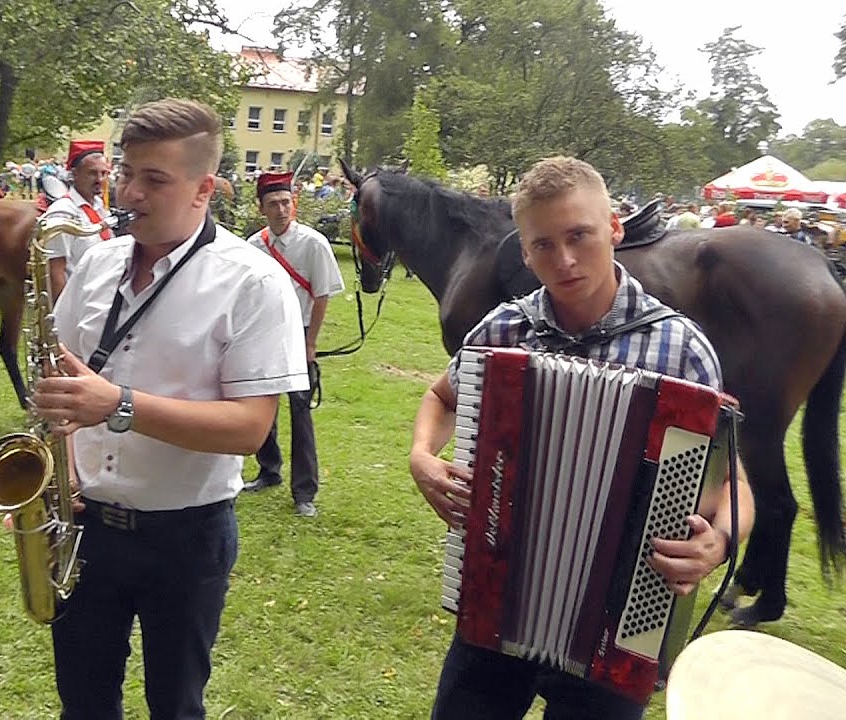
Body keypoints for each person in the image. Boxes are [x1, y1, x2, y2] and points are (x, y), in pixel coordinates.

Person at [409, 156, 754, 719]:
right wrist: (423, 457)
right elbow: (443, 396)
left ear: (614, 228)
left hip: (621, 618)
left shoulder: (683, 350)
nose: (564, 259)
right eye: (543, 245)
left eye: (579, 235)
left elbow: (733, 480)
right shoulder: (503, 331)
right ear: (523, 252)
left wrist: (718, 541)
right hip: (500, 597)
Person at [30, 98, 307, 720]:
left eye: (154, 180)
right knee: (83, 703)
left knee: (175, 707)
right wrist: (59, 466)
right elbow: (62, 388)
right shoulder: (97, 263)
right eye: (125, 172)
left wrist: (119, 405)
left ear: (204, 188)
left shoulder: (253, 282)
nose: (129, 192)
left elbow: (250, 428)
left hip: (186, 537)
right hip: (84, 527)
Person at [241, 171, 344, 517]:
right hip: (265, 332)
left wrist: (311, 342)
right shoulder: (254, 246)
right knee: (261, 402)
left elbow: (321, 295)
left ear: (294, 203)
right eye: (274, 204)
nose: (282, 210)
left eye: (286, 202)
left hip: (299, 332)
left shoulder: (313, 243)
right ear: (262, 209)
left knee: (300, 410)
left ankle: (304, 491)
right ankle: (268, 470)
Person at [43, 139, 112, 299]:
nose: (99, 180)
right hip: (79, 302)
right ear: (74, 174)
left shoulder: (99, 206)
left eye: (103, 173)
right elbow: (55, 272)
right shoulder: (62, 212)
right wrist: (63, 316)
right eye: (92, 173)